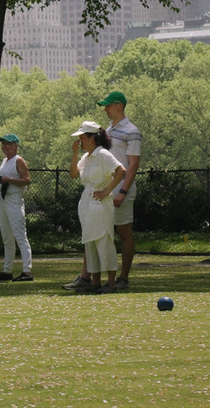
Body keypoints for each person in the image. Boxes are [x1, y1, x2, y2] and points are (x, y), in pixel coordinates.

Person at [65, 91, 142, 291]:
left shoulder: (132, 131)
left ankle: (121, 278)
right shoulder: (106, 131)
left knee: (121, 232)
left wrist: (122, 190)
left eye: (108, 105)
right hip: (100, 192)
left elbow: (131, 165)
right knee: (94, 234)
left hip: (118, 189)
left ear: (119, 105)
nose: (105, 109)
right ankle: (88, 277)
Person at [67, 121, 126, 293]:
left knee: (103, 240)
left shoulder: (103, 154)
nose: (81, 141)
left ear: (92, 138)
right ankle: (95, 282)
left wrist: (107, 190)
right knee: (90, 242)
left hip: (100, 203)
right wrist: (75, 153)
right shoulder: (86, 157)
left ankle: (111, 283)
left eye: (83, 138)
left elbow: (121, 170)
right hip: (87, 202)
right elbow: (73, 174)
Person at [0, 133, 33, 282]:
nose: (5, 147)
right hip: (3, 200)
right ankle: (7, 271)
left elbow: (26, 180)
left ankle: (27, 271)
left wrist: (10, 180)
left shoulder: (18, 160)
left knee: (20, 236)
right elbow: (3, 179)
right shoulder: (4, 161)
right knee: (7, 238)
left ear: (15, 145)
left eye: (8, 144)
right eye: (3, 144)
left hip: (14, 201)